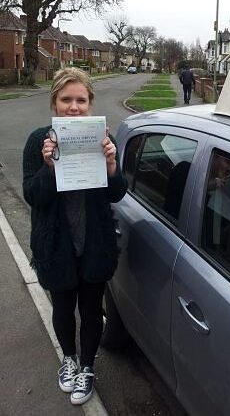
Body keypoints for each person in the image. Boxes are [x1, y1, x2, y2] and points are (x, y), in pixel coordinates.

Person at [22, 67, 127, 406]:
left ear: (90, 104)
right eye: (66, 99)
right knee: (64, 307)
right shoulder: (38, 141)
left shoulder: (102, 138)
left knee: (92, 309)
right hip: (57, 245)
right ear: (54, 102)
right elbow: (32, 195)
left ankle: (86, 365)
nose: (74, 106)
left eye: (81, 100)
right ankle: (68, 359)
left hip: (93, 244)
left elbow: (117, 193)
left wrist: (111, 167)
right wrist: (48, 167)